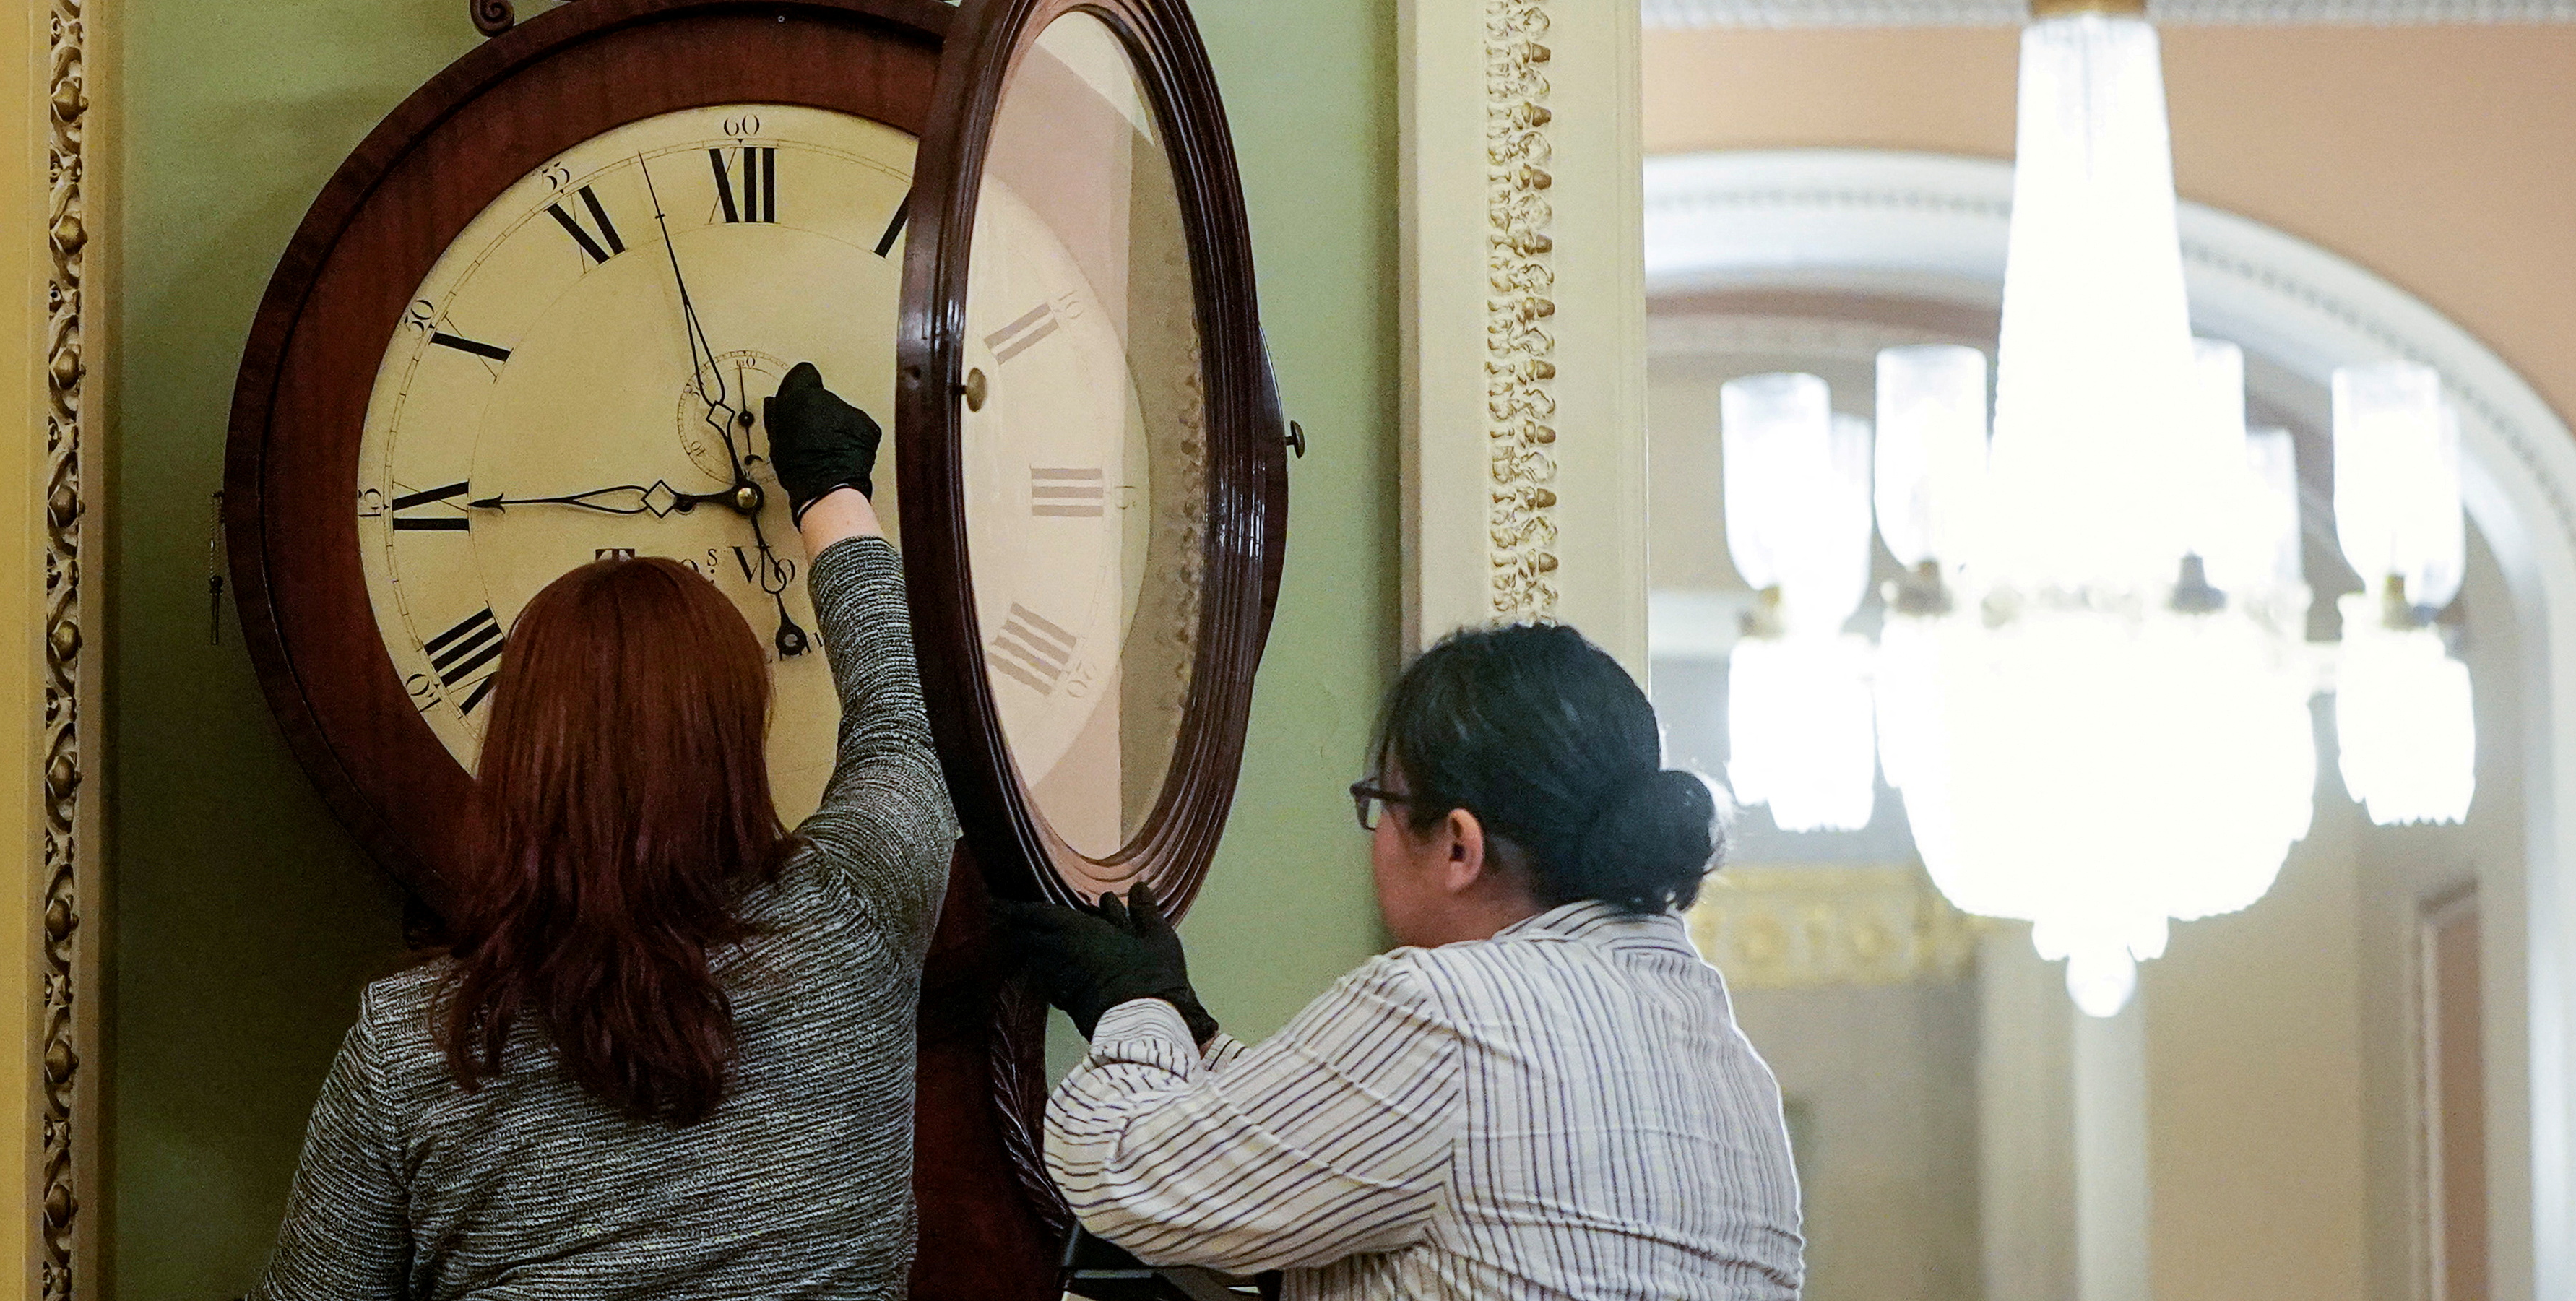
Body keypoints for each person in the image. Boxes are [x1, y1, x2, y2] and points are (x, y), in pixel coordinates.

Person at [247, 366, 953, 1301]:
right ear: (733, 747)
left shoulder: (413, 1045)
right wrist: (832, 494)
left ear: (520, 755)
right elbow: (909, 721)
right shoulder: (848, 922)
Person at [1003, 621, 1806, 1300]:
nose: (1374, 837)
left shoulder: (1449, 1008)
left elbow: (1125, 1177)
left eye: (1380, 802)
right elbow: (1340, 1144)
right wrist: (1192, 1029)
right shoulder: (1736, 1070)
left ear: (1458, 845)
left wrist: (1130, 1008)